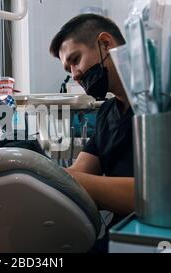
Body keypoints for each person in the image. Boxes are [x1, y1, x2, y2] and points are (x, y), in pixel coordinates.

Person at [49, 13, 135, 250]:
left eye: (75, 60)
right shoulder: (108, 113)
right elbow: (78, 172)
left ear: (105, 44)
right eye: (69, 68)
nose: (74, 74)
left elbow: (156, 196)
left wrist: (67, 179)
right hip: (117, 235)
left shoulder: (159, 101)